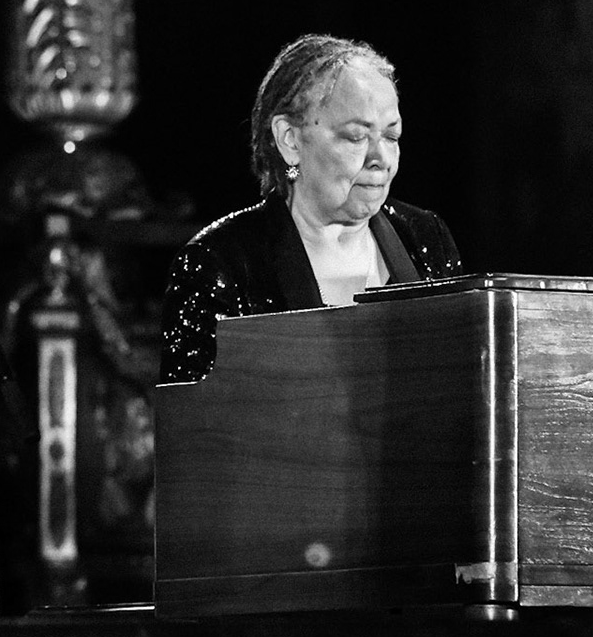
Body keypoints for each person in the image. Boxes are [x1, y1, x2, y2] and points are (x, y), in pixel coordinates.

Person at [159, 34, 465, 383]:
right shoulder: (218, 263)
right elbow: (192, 413)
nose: (381, 158)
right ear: (290, 140)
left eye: (391, 137)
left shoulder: (425, 236)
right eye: (356, 137)